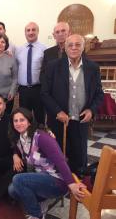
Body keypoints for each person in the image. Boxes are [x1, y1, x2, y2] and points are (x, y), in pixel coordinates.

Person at [8, 107, 86, 219]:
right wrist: (15, 155)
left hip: (57, 180)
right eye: (16, 121)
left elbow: (60, 160)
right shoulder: (20, 139)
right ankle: (41, 204)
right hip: (42, 178)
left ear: (29, 122)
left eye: (22, 120)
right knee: (12, 190)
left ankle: (36, 215)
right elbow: (18, 149)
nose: (18, 123)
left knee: (17, 180)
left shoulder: (41, 137)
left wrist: (71, 184)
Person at [41, 34, 104, 173]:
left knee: (79, 156)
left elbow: (99, 94)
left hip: (81, 121)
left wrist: (91, 110)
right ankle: (58, 184)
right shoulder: (53, 66)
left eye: (78, 44)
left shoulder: (92, 68)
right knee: (57, 155)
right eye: (70, 45)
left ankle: (77, 182)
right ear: (65, 48)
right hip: (59, 121)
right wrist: (57, 111)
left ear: (83, 47)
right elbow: (44, 93)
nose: (74, 48)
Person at [15, 22, 46, 125]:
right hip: (23, 90)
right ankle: (26, 139)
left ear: (38, 32)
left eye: (33, 30)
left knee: (40, 118)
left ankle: (40, 139)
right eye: (28, 30)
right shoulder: (19, 50)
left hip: (38, 89)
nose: (31, 32)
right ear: (25, 33)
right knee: (24, 118)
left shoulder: (44, 49)